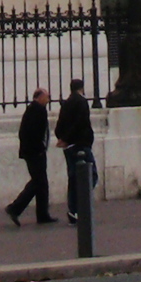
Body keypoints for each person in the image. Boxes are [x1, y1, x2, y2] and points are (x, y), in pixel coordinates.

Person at [7, 85, 56, 226]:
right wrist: (39, 148)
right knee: (38, 182)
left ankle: (42, 214)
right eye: (46, 96)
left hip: (33, 151)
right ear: (39, 97)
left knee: (41, 183)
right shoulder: (37, 111)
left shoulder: (34, 110)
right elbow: (33, 133)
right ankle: (15, 208)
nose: (48, 99)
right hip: (35, 152)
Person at [54, 77, 96, 223]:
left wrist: (62, 138)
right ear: (81, 88)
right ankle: (81, 206)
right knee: (90, 176)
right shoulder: (82, 102)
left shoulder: (66, 103)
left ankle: (73, 209)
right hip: (80, 144)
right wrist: (69, 137)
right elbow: (81, 123)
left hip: (69, 146)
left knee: (73, 178)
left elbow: (59, 125)